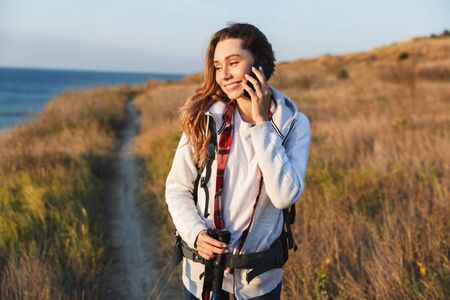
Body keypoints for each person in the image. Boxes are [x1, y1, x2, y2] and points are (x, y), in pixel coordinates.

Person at [165, 22, 311, 300]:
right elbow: (176, 188)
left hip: (258, 278)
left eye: (233, 62)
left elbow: (284, 196)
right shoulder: (206, 118)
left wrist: (261, 124)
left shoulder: (293, 123)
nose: (224, 75)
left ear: (261, 64)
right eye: (218, 66)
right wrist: (195, 234)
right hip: (202, 272)